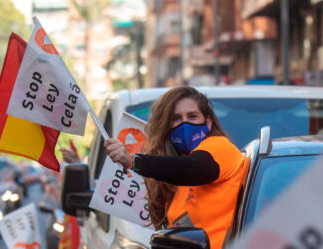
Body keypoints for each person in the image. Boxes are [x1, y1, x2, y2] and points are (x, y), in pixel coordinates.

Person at [104, 86, 246, 249]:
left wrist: (133, 161)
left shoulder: (220, 147)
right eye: (176, 118)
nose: (185, 124)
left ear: (208, 122)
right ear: (166, 125)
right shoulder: (172, 174)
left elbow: (191, 168)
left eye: (192, 116)